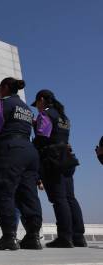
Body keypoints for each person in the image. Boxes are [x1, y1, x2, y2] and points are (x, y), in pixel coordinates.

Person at [0, 77, 43, 250]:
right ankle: (33, 236)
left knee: (4, 190)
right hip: (29, 151)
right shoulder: (26, 108)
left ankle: (9, 236)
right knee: (28, 194)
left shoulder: (4, 103)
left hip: (10, 149)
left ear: (5, 88)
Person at [32, 89, 86, 248]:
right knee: (70, 197)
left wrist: (32, 142)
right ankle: (78, 236)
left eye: (37, 104)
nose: (37, 108)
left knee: (59, 199)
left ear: (42, 99)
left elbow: (42, 138)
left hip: (52, 159)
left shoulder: (46, 114)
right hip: (66, 158)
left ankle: (65, 236)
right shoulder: (64, 117)